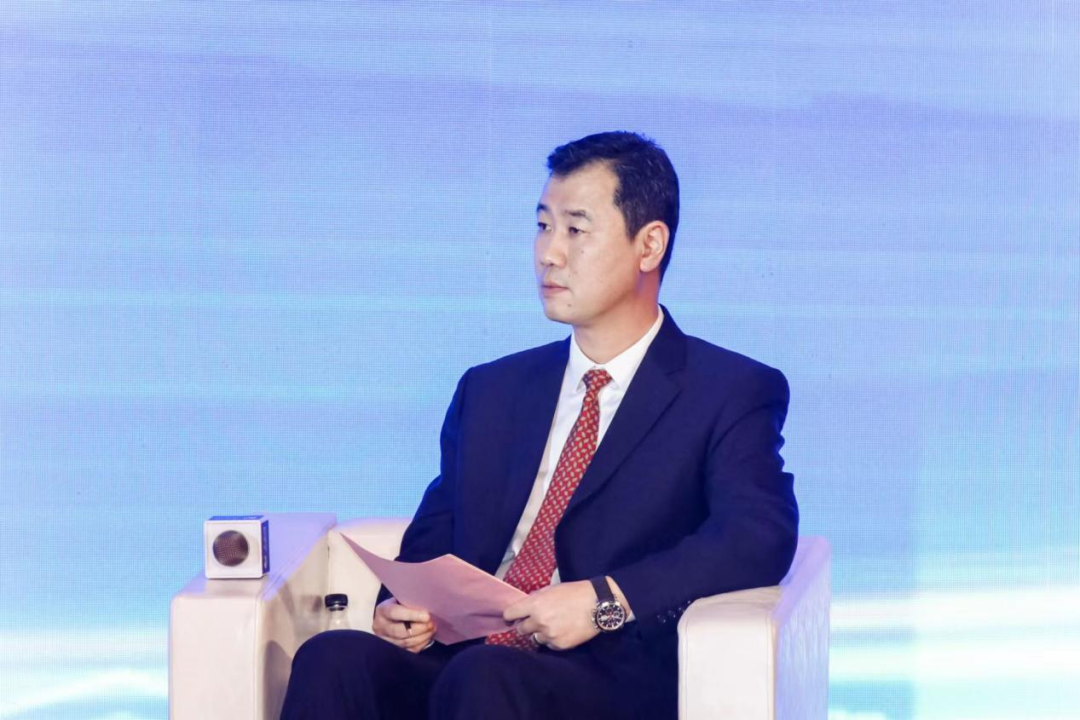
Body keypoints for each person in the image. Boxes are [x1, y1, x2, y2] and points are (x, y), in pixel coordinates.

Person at [279, 131, 799, 719]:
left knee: (483, 677)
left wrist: (605, 601)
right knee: (332, 658)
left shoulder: (728, 390)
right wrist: (399, 607)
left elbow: (758, 535)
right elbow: (434, 537)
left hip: (604, 676)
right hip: (468, 659)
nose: (549, 253)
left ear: (649, 245)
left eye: (576, 230)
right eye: (543, 226)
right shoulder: (492, 388)